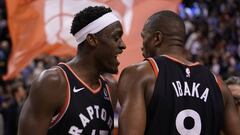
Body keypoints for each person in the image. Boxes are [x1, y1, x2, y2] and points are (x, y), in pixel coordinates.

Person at [117, 10, 240, 135]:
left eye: (144, 37)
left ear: (157, 38)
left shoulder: (140, 75)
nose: (142, 46)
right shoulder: (219, 85)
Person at [18, 6, 125, 135]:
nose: (122, 45)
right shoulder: (53, 82)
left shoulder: (110, 88)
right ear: (92, 40)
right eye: (116, 38)